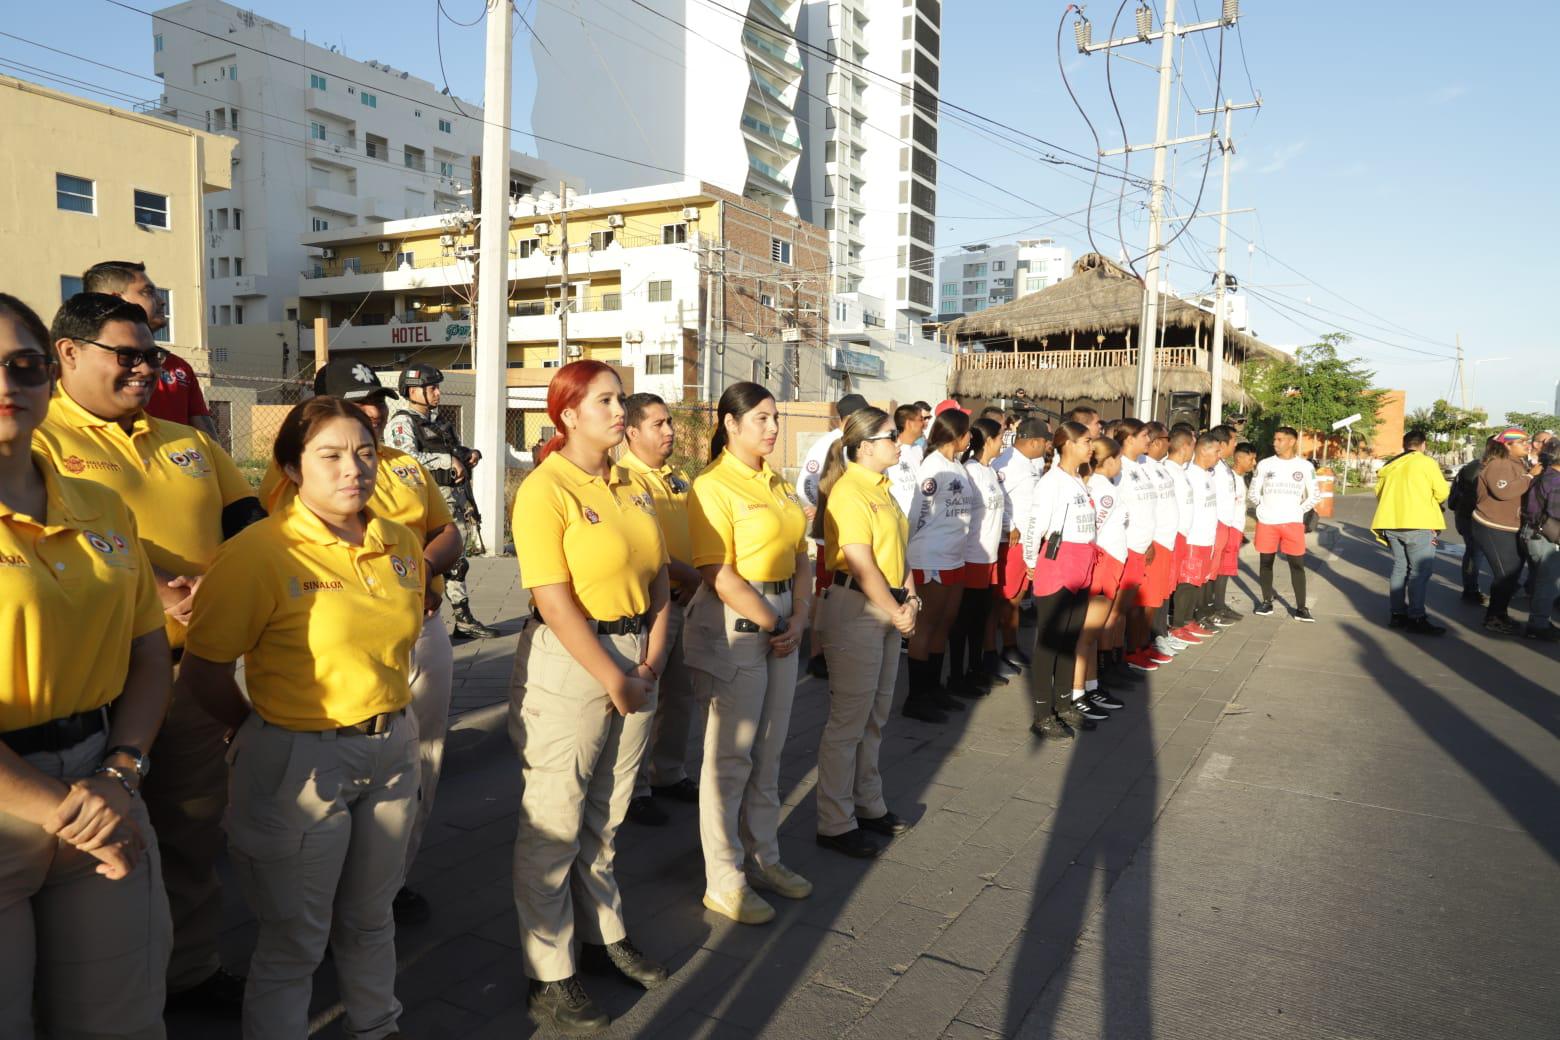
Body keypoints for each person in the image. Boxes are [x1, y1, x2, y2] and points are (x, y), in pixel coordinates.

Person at [34, 292, 263, 1014]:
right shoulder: (34, 439)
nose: (145, 369)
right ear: (67, 353)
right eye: (126, 355)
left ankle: (188, 972)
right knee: (88, 854)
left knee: (192, 828)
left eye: (153, 356)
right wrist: (156, 582)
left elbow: (252, 527)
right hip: (95, 689)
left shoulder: (187, 441)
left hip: (190, 677)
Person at [176, 396, 423, 1039]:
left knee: (372, 917)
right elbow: (203, 671)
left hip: (392, 749)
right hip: (299, 761)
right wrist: (254, 731)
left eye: (366, 454)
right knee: (294, 942)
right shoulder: (261, 552)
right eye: (331, 455)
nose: (354, 470)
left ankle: (378, 1025)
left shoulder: (398, 542)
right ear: (291, 467)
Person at [0, 293, 174, 1039]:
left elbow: (146, 652)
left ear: (48, 375)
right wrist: (61, 809)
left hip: (101, 782)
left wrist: (120, 772)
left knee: (119, 1019)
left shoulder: (102, 507)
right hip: (17, 800)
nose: (7, 385)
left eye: (23, 365)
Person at [258, 359, 463, 927]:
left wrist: (418, 568)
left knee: (422, 761)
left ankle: (391, 879)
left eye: (374, 401)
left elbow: (446, 530)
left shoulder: (402, 465)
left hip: (419, 629)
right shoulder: (291, 476)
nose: (370, 413)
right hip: (340, 644)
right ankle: (329, 892)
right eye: (356, 403)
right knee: (338, 777)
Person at [508, 360, 673, 1032]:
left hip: (638, 657)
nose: (618, 410)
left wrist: (653, 659)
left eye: (621, 398)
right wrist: (614, 676)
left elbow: (659, 576)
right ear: (567, 413)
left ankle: (604, 934)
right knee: (555, 819)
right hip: (574, 662)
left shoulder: (633, 484)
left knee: (608, 813)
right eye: (605, 400)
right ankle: (549, 973)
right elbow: (550, 594)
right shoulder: (546, 489)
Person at [686, 382, 813, 926]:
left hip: (782, 618)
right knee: (730, 758)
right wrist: (775, 620)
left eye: (775, 418)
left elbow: (802, 553)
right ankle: (724, 877)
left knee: (771, 748)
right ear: (730, 424)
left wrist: (800, 616)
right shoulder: (712, 486)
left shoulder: (777, 482)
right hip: (739, 623)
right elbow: (716, 572)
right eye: (761, 419)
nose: (773, 428)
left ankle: (765, 856)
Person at [812, 406, 919, 860]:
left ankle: (867, 803)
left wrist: (911, 599)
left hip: (887, 606)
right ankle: (834, 821)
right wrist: (898, 608)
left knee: (875, 716)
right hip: (858, 607)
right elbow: (860, 561)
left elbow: (899, 554)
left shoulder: (884, 490)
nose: (900, 442)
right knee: (848, 721)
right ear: (865, 446)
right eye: (892, 436)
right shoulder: (849, 492)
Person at [621, 392, 703, 828]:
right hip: (654, 604)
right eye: (658, 424)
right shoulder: (624, 479)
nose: (670, 431)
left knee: (681, 694)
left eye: (669, 422)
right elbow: (641, 547)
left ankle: (668, 771)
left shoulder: (676, 477)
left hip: (686, 599)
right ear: (632, 431)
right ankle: (633, 788)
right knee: (645, 698)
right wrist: (687, 576)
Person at [383, 362, 501, 640]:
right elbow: (404, 459)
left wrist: (469, 454)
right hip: (423, 505)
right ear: (413, 391)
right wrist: (447, 460)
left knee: (457, 562)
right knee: (437, 562)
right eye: (431, 388)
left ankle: (462, 620)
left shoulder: (438, 422)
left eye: (437, 387)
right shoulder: (402, 423)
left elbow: (453, 450)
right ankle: (423, 618)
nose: (437, 393)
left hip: (452, 501)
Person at [1020, 421, 1097, 741]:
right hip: (1059, 565)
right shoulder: (1051, 482)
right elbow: (1034, 524)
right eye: (1085, 441)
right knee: (1050, 641)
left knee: (1069, 639)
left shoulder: (1078, 479)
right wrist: (1030, 561)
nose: (1090, 447)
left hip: (1083, 565)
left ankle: (1064, 704)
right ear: (1066, 444)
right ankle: (1041, 713)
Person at [82, 261, 217, 437]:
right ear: (116, 299)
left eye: (151, 359)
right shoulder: (81, 366)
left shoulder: (179, 367)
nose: (162, 302)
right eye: (148, 292)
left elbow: (208, 439)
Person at [904, 406, 975, 722]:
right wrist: (913, 553)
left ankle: (933, 688)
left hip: (954, 555)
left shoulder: (956, 464)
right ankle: (917, 696)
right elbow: (917, 513)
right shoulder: (932, 467)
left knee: (945, 623)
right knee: (927, 625)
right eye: (967, 432)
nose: (970, 437)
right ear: (956, 435)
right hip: (931, 555)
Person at [797, 393, 870, 680]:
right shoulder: (828, 444)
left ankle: (839, 649)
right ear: (848, 418)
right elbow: (806, 483)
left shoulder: (860, 441)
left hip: (853, 530)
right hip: (831, 535)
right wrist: (822, 509)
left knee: (848, 592)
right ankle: (818, 654)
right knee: (826, 593)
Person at [947, 417, 1007, 696]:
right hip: (971, 557)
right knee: (965, 620)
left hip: (989, 558)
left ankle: (976, 668)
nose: (1003, 441)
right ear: (988, 440)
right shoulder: (969, 472)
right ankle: (958, 676)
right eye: (1000, 436)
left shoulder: (990, 470)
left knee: (981, 619)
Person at [1370, 429, 1451, 635]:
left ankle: (1397, 614)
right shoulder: (1426, 463)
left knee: (1400, 568)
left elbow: (1379, 493)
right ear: (1423, 445)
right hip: (1418, 524)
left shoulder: (1391, 466)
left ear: (1405, 445)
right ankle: (1417, 616)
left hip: (1391, 523)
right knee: (1419, 572)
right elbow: (1442, 492)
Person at [1071, 437, 1126, 716]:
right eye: (1118, 459)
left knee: (1092, 634)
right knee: (1088, 633)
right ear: (1109, 461)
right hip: (1103, 562)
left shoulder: (1103, 485)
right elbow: (1094, 527)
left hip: (1110, 563)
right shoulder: (1103, 489)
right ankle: (1077, 691)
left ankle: (1090, 685)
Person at [994, 418, 1052, 668]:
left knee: (1017, 595)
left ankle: (1010, 646)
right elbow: (996, 498)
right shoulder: (1007, 463)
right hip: (1012, 540)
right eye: (1046, 442)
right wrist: (1009, 524)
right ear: (1035, 441)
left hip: (1027, 537)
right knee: (1009, 599)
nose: (1048, 447)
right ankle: (1007, 647)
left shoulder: (1028, 463)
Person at [1111, 419, 1167, 673]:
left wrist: (1150, 541)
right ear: (1130, 438)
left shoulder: (1141, 466)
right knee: (1123, 608)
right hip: (1127, 547)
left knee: (1138, 605)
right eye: (1145, 435)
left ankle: (1138, 649)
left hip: (1144, 544)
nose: (1149, 440)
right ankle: (1121, 656)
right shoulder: (1118, 467)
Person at [1249, 426, 1320, 621]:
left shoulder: (1305, 466)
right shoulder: (1265, 465)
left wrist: (1299, 510)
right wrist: (1262, 508)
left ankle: (1301, 608)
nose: (1275, 443)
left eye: (1280, 439)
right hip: (1267, 523)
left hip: (1292, 523)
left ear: (1291, 441)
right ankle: (1266, 602)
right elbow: (1254, 492)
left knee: (1297, 565)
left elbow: (1314, 495)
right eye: (1275, 439)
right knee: (1266, 563)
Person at [1471, 428, 1537, 635]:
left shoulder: (1517, 463)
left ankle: (1500, 614)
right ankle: (1494, 618)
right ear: (1507, 445)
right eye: (1522, 441)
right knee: (1505, 574)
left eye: (1527, 440)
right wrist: (1529, 477)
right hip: (1491, 526)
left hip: (1509, 526)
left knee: (1512, 573)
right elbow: (1503, 491)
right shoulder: (1499, 464)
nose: (1528, 444)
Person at [1170, 432, 1223, 644]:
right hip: (1192, 537)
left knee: (1197, 582)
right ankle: (1178, 624)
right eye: (1216, 451)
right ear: (1203, 450)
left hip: (1206, 538)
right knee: (1187, 582)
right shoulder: (1189, 474)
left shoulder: (1207, 474)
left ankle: (1189, 619)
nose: (1219, 456)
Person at [1138, 422, 1185, 659]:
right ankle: (1147, 641)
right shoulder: (1143, 467)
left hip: (1167, 540)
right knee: (1150, 596)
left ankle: (1158, 634)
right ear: (1157, 442)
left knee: (1161, 593)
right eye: (1167, 439)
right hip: (1155, 541)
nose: (1170, 443)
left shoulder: (1160, 467)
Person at [1521, 444, 1560, 641]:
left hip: (1533, 533)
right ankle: (1538, 625)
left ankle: (1539, 621)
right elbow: (1555, 512)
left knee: (1542, 581)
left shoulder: (1543, 476)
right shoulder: (1556, 481)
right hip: (1545, 537)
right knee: (1549, 584)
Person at [1449, 445, 1490, 603]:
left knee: (1475, 553)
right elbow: (1472, 498)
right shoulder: (1477, 469)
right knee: (1474, 553)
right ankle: (1470, 591)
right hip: (1471, 519)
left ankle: (1471, 589)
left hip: (1467, 517)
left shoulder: (1475, 466)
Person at [886, 403, 926, 515]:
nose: (924, 424)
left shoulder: (919, 449)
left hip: (921, 521)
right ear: (909, 423)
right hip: (900, 520)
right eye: (921, 419)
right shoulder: (890, 449)